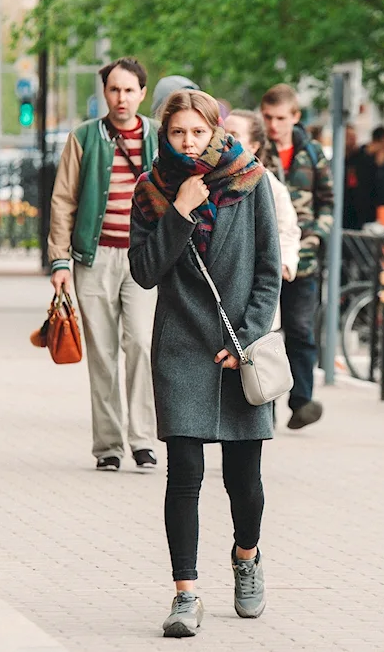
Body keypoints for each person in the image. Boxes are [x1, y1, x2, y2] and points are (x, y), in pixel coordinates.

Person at [129, 89, 281, 638]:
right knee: (185, 475)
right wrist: (179, 212)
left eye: (197, 132)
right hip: (180, 344)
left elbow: (269, 270)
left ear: (214, 131)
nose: (188, 142)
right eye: (177, 133)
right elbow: (145, 271)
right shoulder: (151, 191)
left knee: (244, 480)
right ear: (163, 134)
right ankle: (185, 593)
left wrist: (245, 339)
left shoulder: (252, 179)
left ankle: (246, 554)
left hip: (239, 350)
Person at [49, 57, 160, 472]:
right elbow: (63, 201)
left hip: (143, 260)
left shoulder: (158, 138)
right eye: (114, 89)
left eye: (129, 90)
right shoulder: (83, 138)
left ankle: (143, 438)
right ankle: (109, 445)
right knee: (102, 352)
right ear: (104, 93)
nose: (121, 98)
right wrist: (59, 260)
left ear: (142, 94)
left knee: (142, 346)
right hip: (93, 259)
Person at [260, 84, 333, 430]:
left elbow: (328, 202)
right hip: (266, 261)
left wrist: (316, 235)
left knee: (301, 331)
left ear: (295, 117)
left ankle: (301, 401)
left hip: (304, 261)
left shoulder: (313, 153)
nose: (274, 125)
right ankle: (265, 405)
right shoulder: (258, 152)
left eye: (280, 118)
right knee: (266, 333)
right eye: (268, 117)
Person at [224, 109, 301, 302]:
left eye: (234, 135)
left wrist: (280, 265)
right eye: (222, 132)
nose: (225, 140)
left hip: (253, 292)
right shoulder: (206, 177)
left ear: (254, 145)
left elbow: (289, 229)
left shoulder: (267, 183)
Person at [344, 125, 384, 230]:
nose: (352, 140)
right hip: (347, 213)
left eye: (353, 137)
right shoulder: (340, 162)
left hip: (363, 213)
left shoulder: (364, 158)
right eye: (348, 137)